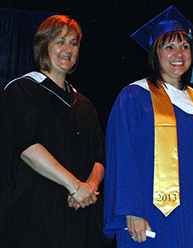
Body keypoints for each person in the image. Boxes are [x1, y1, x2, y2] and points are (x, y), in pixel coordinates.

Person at [103, 5, 193, 248]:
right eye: (169, 46)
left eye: (185, 46)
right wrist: (130, 212)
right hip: (151, 215)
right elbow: (122, 157)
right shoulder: (134, 96)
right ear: (155, 53)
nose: (179, 53)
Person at [0, 15, 111, 247]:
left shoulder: (84, 104)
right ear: (44, 46)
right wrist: (75, 186)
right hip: (34, 219)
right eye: (60, 41)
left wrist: (89, 188)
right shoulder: (22, 90)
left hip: (78, 218)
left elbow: (99, 156)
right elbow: (27, 147)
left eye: (74, 43)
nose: (67, 49)